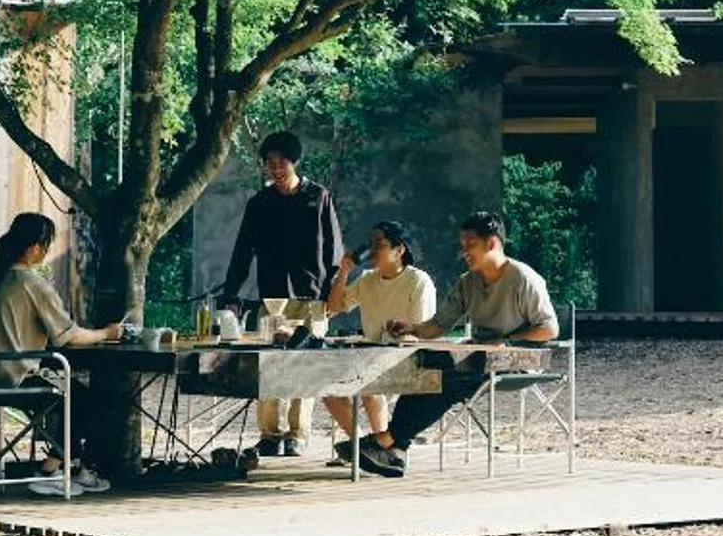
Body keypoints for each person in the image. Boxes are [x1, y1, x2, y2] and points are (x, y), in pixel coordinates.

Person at [369, 211, 558, 473]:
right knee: (423, 364)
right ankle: (396, 448)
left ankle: (388, 440)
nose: (464, 252)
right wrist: (411, 328)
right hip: (476, 357)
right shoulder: (467, 283)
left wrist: (505, 341)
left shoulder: (523, 278)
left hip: (516, 360)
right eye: (462, 246)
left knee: (452, 376)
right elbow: (438, 326)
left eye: (470, 245)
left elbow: (549, 329)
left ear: (492, 243)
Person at [0, 211, 120, 495]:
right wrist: (107, 333)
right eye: (46, 245)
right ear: (33, 248)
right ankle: (53, 469)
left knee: (69, 395)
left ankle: (68, 466)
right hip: (15, 375)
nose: (46, 251)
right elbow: (71, 337)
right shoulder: (32, 284)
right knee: (88, 399)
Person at [215, 134, 342, 456]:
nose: (276, 168)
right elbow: (242, 252)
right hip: (273, 298)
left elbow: (333, 250)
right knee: (269, 365)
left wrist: (330, 297)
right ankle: (271, 435)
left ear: (294, 161)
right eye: (270, 163)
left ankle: (297, 435)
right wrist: (231, 293)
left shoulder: (319, 197)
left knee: (305, 365)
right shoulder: (259, 204)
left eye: (282, 162)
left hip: (312, 297)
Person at [320, 221, 435, 476]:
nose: (371, 251)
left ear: (399, 250)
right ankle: (362, 446)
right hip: (369, 355)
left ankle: (383, 448)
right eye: (370, 245)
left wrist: (402, 332)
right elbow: (333, 307)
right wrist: (344, 270)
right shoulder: (367, 279)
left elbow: (423, 332)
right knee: (326, 386)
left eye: (379, 245)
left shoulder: (418, 281)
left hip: (407, 357)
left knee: (369, 385)